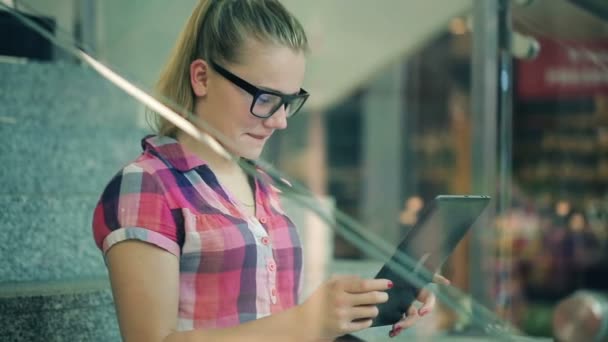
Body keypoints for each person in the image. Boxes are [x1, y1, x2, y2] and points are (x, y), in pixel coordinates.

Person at [92, 0, 446, 340]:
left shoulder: (262, 184)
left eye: (289, 102)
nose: (280, 122)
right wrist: (306, 322)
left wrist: (377, 299)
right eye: (265, 98)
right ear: (202, 78)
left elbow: (280, 322)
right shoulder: (148, 186)